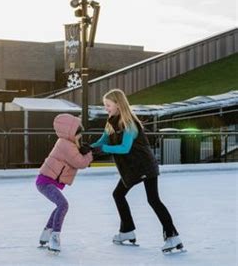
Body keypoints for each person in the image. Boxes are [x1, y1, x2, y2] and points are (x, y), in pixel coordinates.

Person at [90, 89, 184, 253]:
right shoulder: (111, 122)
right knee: (118, 194)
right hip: (131, 168)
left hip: (144, 165)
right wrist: (86, 148)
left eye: (108, 105)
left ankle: (172, 236)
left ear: (118, 105)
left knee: (153, 200)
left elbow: (124, 148)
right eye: (105, 105)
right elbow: (101, 141)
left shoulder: (129, 124)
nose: (106, 108)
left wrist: (103, 148)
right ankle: (127, 231)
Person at [36, 113, 93, 253]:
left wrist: (83, 151)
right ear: (71, 132)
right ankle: (55, 237)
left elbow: (76, 158)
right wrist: (89, 154)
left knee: (59, 205)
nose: (80, 137)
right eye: (79, 134)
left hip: (45, 180)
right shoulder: (66, 145)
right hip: (45, 182)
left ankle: (46, 233)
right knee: (63, 205)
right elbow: (80, 162)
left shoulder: (66, 143)